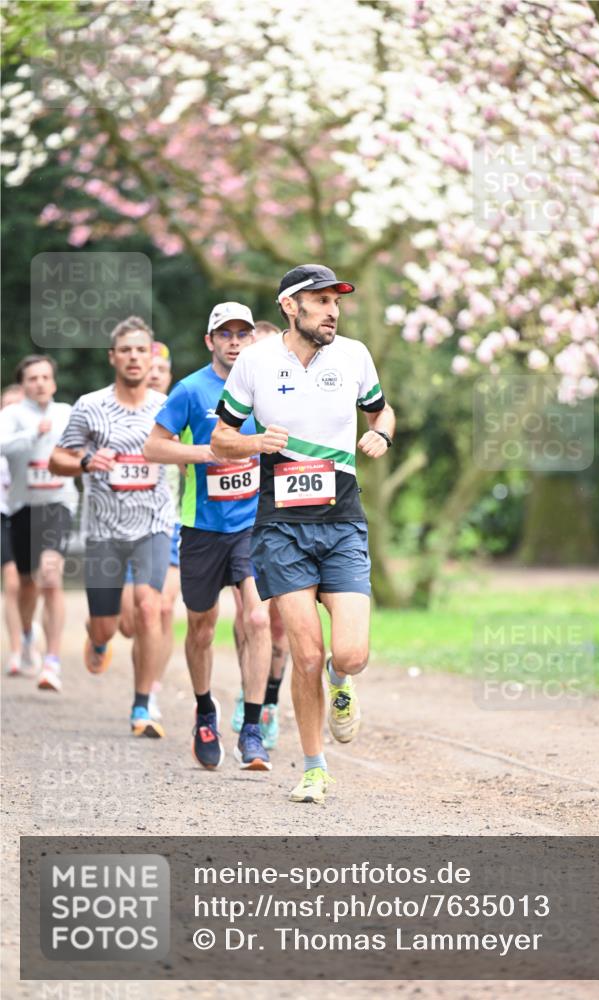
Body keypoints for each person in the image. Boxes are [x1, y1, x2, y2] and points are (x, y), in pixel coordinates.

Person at [212, 263, 395, 803]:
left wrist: (381, 436)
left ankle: (344, 685)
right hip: (281, 527)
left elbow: (382, 413)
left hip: (341, 522)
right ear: (290, 306)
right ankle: (314, 767)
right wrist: (256, 444)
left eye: (336, 302)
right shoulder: (255, 362)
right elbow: (222, 438)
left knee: (350, 654)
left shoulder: (355, 356)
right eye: (319, 301)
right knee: (306, 654)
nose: (332, 310)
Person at [143, 302, 272, 771]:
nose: (234, 341)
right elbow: (153, 446)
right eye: (225, 334)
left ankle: (253, 727)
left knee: (257, 621)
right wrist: (206, 453)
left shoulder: (268, 388)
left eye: (242, 333)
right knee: (201, 626)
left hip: (254, 525)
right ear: (210, 341)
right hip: (202, 528)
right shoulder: (190, 389)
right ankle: (204, 710)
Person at [48, 317, 174, 737]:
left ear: (150, 355)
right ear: (113, 357)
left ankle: (142, 707)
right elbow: (56, 459)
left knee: (149, 608)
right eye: (126, 350)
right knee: (107, 624)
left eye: (142, 350)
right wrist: (85, 461)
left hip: (153, 525)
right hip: (103, 531)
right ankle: (97, 638)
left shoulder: (167, 407)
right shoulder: (90, 405)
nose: (134, 357)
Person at [0, 358, 79, 692]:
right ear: (24, 384)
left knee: (50, 575)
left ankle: (52, 660)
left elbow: (85, 446)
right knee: (28, 584)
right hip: (22, 508)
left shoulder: (67, 412)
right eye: (33, 378)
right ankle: (28, 634)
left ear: (54, 383)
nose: (40, 383)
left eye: (46, 377)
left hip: (58, 504)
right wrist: (34, 433)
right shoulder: (12, 416)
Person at [229, 317, 290, 749]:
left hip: (289, 520)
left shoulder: (298, 399)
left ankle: (270, 702)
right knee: (252, 616)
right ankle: (249, 692)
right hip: (243, 524)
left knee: (282, 627)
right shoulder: (237, 400)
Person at [119, 341, 181, 721]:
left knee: (161, 607)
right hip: (127, 526)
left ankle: (149, 692)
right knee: (129, 623)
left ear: (169, 375)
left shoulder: (182, 410)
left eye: (162, 368)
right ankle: (140, 677)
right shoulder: (124, 412)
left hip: (172, 524)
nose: (155, 373)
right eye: (150, 367)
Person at [1, 383, 26, 676]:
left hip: (26, 513)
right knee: (11, 581)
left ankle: (28, 634)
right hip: (2, 513)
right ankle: (17, 650)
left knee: (28, 582)